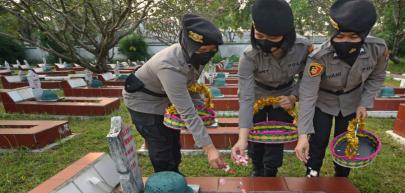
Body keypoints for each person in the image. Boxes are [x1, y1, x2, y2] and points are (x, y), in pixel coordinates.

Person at [295, 0, 388, 177]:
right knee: (319, 140)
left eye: (353, 38)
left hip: (352, 102)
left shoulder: (377, 49)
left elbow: (377, 76)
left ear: (364, 34)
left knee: (346, 140)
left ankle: (342, 178)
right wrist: (303, 135)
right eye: (340, 36)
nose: (345, 41)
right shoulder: (319, 57)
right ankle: (312, 174)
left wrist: (364, 103)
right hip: (323, 101)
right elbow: (308, 96)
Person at [123, 14, 225, 173]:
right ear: (187, 44)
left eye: (212, 50)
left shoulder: (195, 56)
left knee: (173, 141)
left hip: (164, 96)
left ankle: (174, 174)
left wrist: (202, 107)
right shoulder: (169, 65)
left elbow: (190, 84)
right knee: (161, 145)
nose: (207, 54)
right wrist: (210, 148)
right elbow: (187, 111)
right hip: (144, 102)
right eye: (203, 50)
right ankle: (165, 182)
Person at [230, 0, 310, 177]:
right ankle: (257, 167)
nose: (265, 42)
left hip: (284, 94)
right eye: (259, 35)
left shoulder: (303, 48)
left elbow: (308, 79)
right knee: (255, 132)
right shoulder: (248, 56)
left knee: (276, 133)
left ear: (287, 35)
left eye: (273, 38)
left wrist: (293, 97)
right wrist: (241, 139)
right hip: (257, 94)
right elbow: (246, 98)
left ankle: (271, 170)